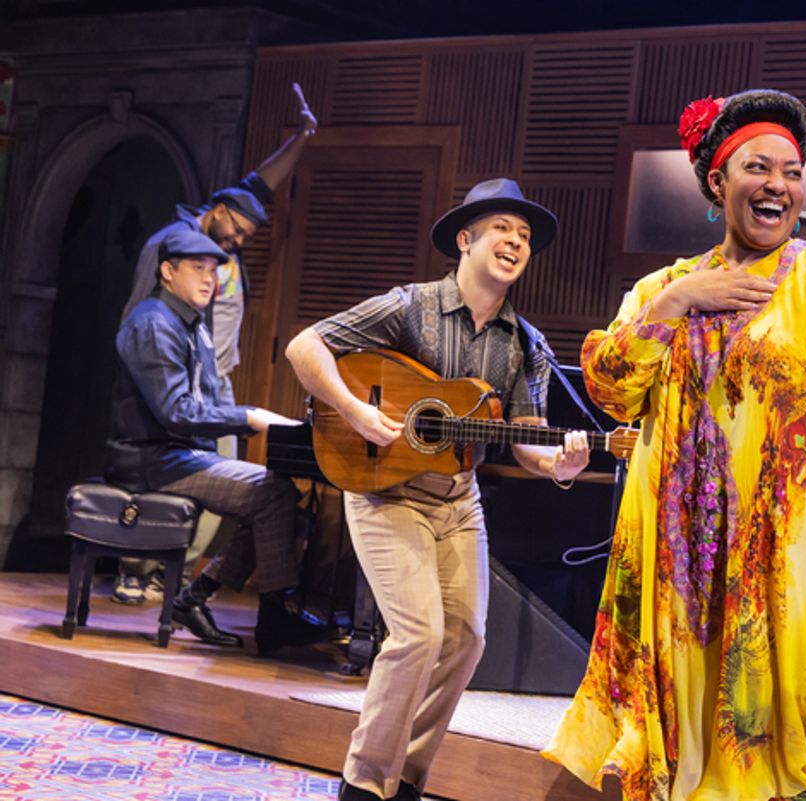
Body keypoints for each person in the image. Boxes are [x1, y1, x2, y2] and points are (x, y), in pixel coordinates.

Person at [543, 89, 806, 801]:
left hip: (781, 563)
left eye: (792, 172)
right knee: (671, 744)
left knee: (775, 751)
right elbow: (610, 388)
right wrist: (674, 305)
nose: (778, 186)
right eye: (758, 167)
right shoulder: (663, 286)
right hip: (674, 566)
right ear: (717, 181)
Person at [285, 178, 592, 801]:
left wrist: (560, 465)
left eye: (525, 235)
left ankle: (404, 781)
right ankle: (362, 784)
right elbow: (304, 346)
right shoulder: (409, 307)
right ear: (465, 240)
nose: (516, 242)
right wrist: (352, 409)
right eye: (502, 229)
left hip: (458, 499)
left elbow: (528, 438)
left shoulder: (525, 343)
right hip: (385, 490)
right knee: (419, 634)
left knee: (466, 640)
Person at [113, 84, 319, 605]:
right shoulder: (173, 248)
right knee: (214, 478)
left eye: (246, 238)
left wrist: (303, 136)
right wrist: (147, 371)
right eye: (238, 231)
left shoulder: (218, 240)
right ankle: (144, 570)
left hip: (212, 383)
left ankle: (186, 584)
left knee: (254, 489)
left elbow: (261, 184)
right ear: (218, 210)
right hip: (175, 388)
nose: (239, 243)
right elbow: (141, 320)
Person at [106, 228, 333, 654]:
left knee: (275, 494)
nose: (209, 279)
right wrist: (248, 417)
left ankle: (201, 600)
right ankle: (261, 616)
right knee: (272, 494)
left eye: (213, 270)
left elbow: (201, 404)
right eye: (198, 269)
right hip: (152, 459)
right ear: (167, 271)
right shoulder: (154, 323)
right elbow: (175, 412)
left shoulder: (191, 323)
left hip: (179, 454)